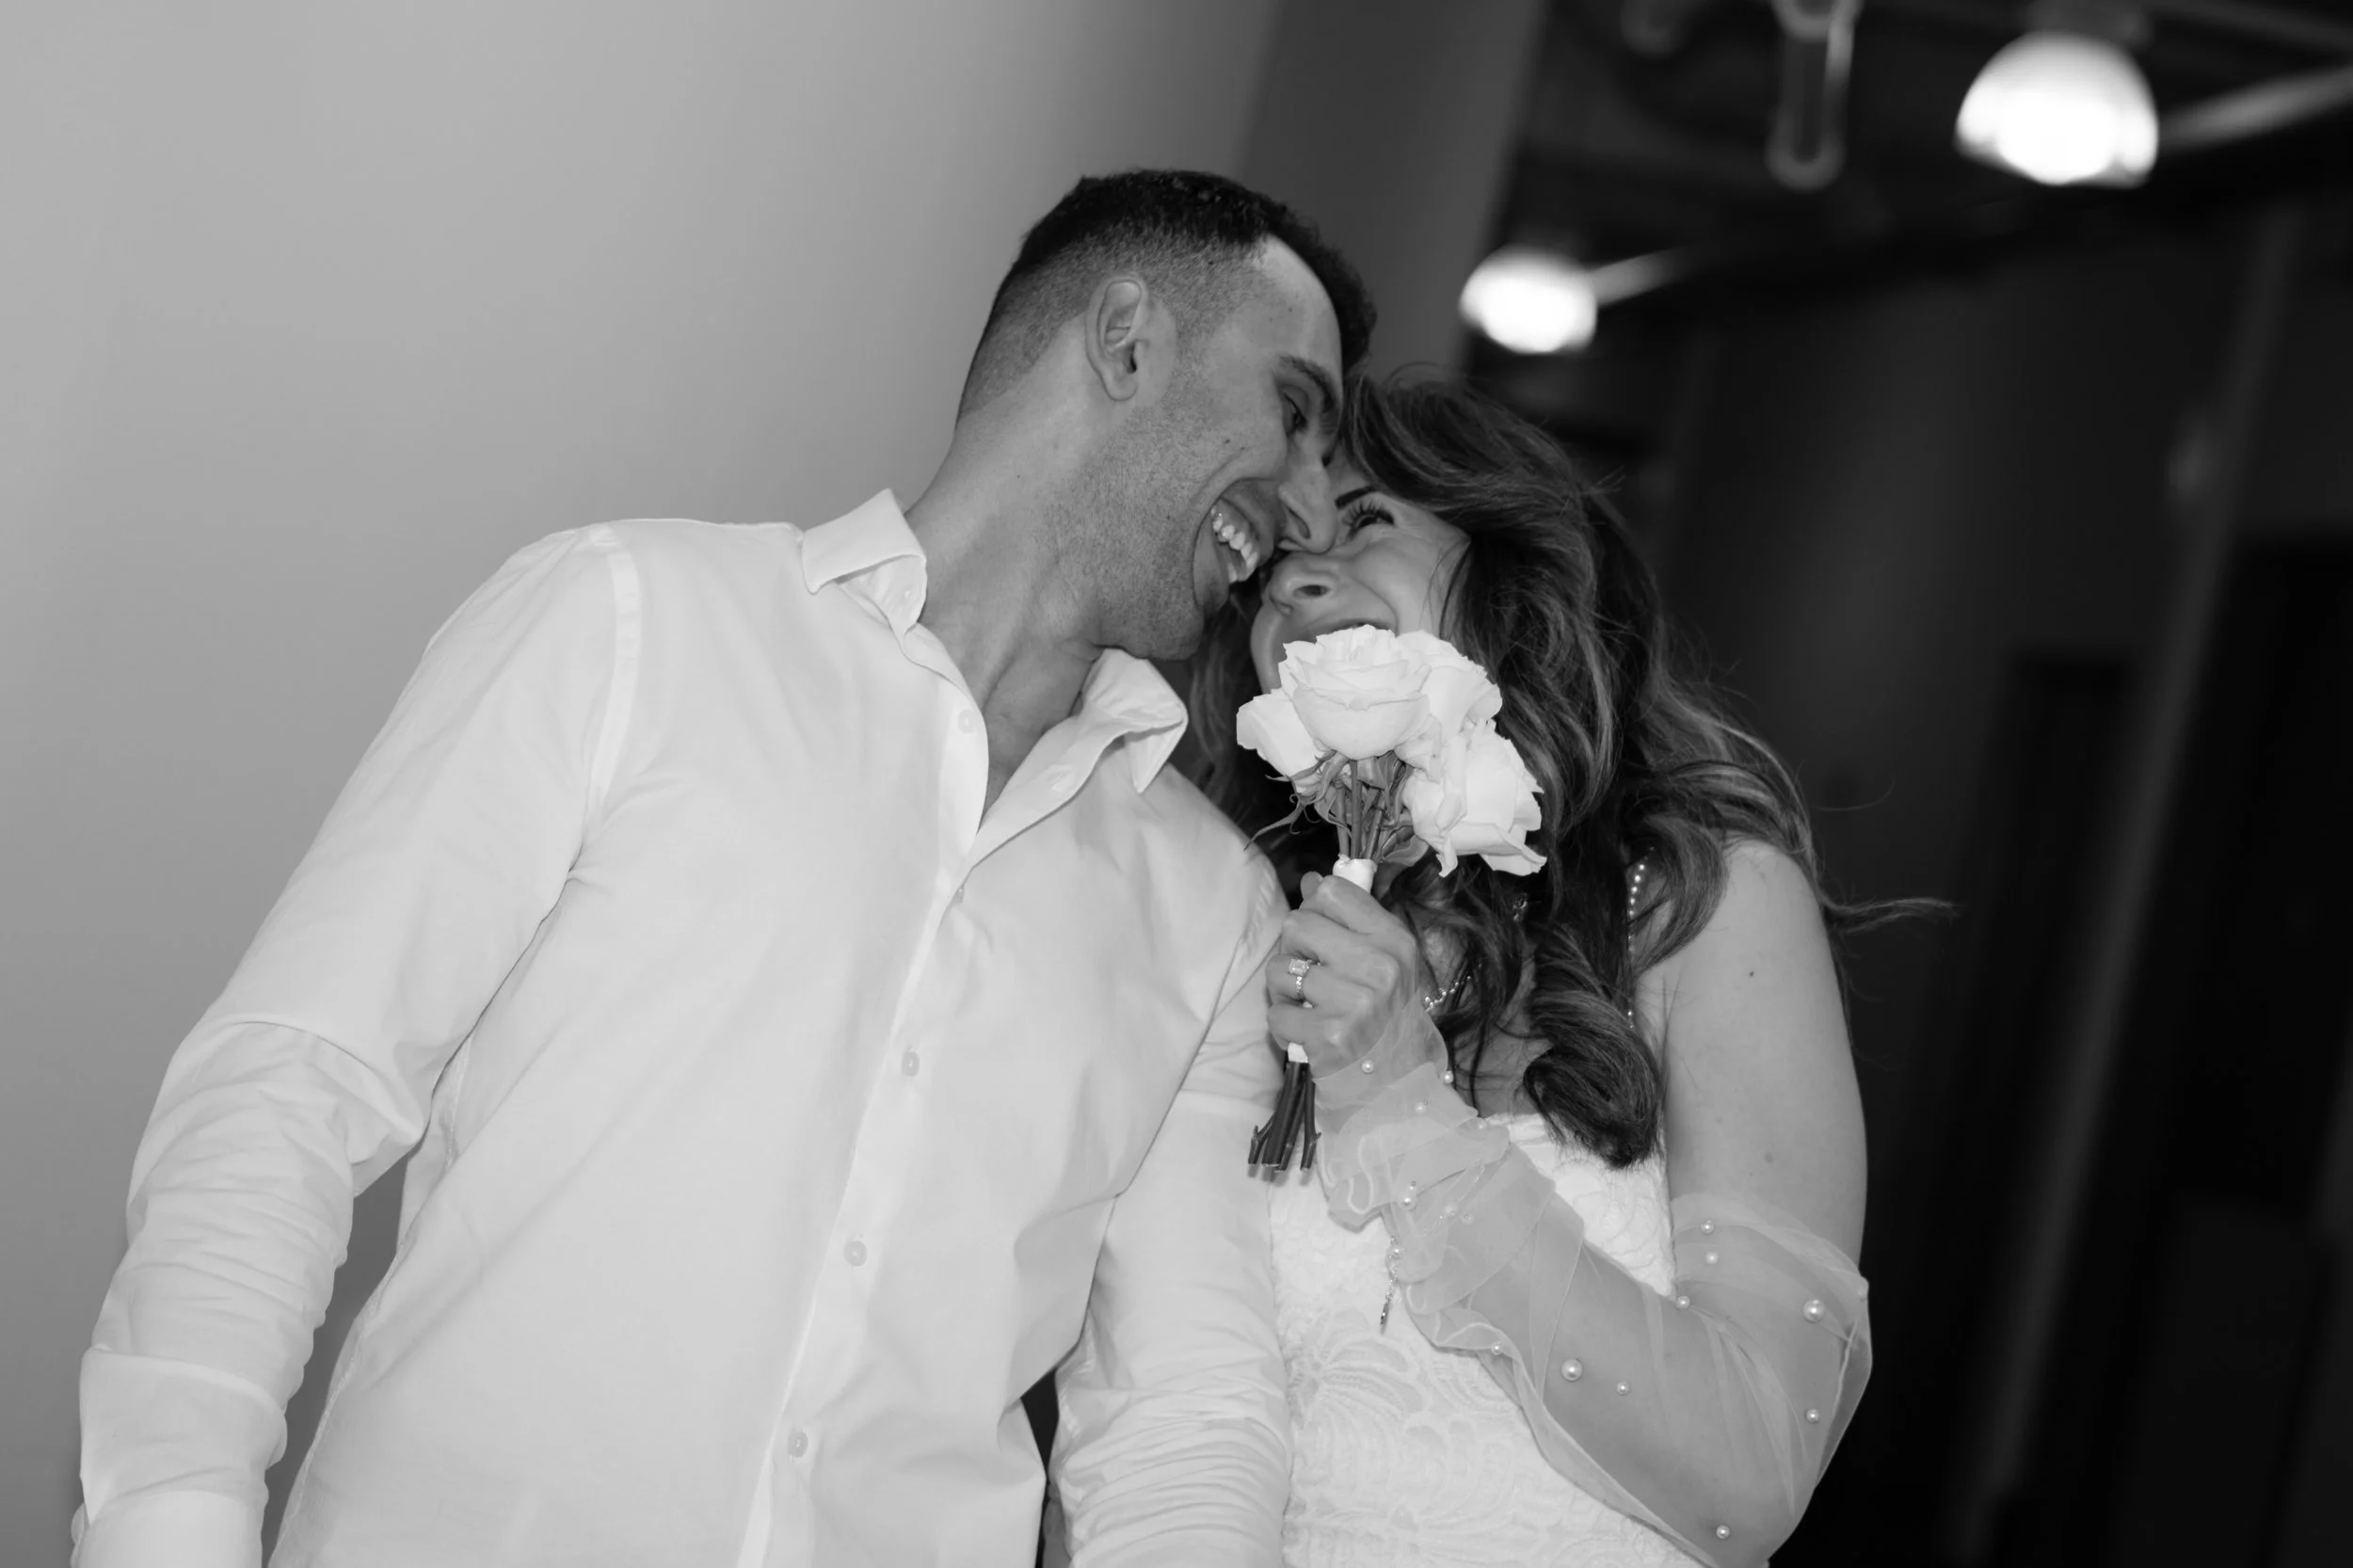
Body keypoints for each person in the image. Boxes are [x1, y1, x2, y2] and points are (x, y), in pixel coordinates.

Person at [72, 169, 1374, 1568]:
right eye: (1294, 414)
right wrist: (167, 1529)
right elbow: (288, 1087)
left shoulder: (1214, 912)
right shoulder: (627, 622)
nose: (1312, 508)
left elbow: (1182, 1421)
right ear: (1125, 342)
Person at [1192, 376, 1880, 1568]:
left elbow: (1752, 1474)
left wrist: (1403, 1106)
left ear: (1511, 572)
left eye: (1361, 522)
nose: (1294, 581)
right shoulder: (1239, 917)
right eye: (1273, 566)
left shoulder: (1701, 906)